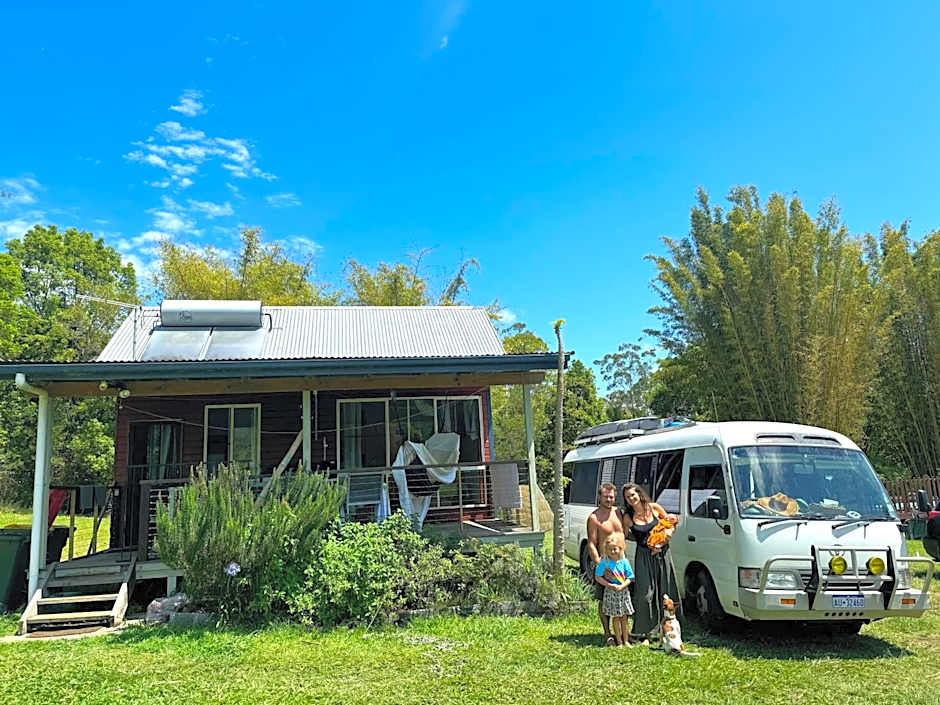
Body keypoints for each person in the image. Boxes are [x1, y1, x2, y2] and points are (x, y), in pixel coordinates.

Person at [621, 483, 680, 643]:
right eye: (628, 497)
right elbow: (624, 536)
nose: (631, 499)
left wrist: (663, 539)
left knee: (665, 590)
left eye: (633, 495)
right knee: (645, 595)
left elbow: (671, 524)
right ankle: (643, 632)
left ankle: (668, 629)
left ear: (640, 494)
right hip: (643, 556)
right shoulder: (628, 517)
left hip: (662, 553)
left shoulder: (654, 508)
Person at [586, 482, 626, 646]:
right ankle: (608, 633)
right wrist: (600, 567)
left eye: (611, 496)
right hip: (606, 564)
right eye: (606, 496)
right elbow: (591, 544)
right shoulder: (594, 518)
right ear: (599, 497)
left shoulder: (618, 513)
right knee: (604, 599)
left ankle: (623, 634)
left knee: (622, 597)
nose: (609, 499)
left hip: (622, 562)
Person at [594, 532, 635, 647]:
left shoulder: (624, 562)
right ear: (606, 550)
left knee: (624, 617)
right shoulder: (605, 563)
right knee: (616, 617)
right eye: (610, 550)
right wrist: (608, 585)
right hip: (611, 592)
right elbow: (598, 576)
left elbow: (630, 577)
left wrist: (623, 586)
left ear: (620, 548)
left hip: (623, 592)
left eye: (615, 549)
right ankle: (619, 641)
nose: (613, 552)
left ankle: (626, 640)